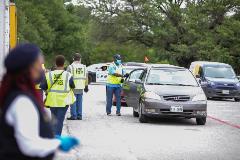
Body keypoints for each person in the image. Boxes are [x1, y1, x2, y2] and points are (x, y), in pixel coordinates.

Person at [0, 44, 79, 160]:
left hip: (54, 101)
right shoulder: (22, 101)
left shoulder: (16, 93)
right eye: (39, 64)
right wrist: (58, 143)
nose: (41, 69)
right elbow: (29, 145)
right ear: (28, 68)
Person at [40, 55, 76, 136]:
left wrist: (47, 92)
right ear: (64, 64)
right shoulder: (68, 75)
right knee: (59, 121)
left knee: (54, 120)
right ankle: (57, 138)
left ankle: (53, 136)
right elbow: (72, 86)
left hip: (52, 101)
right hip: (63, 102)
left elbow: (43, 86)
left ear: (55, 64)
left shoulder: (49, 74)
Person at [67, 53, 89, 120]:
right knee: (79, 102)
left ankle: (74, 115)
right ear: (80, 59)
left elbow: (67, 77)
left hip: (73, 86)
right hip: (81, 86)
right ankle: (79, 115)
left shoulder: (70, 67)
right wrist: (86, 86)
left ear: (73, 59)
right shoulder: (84, 67)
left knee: (73, 101)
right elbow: (86, 77)